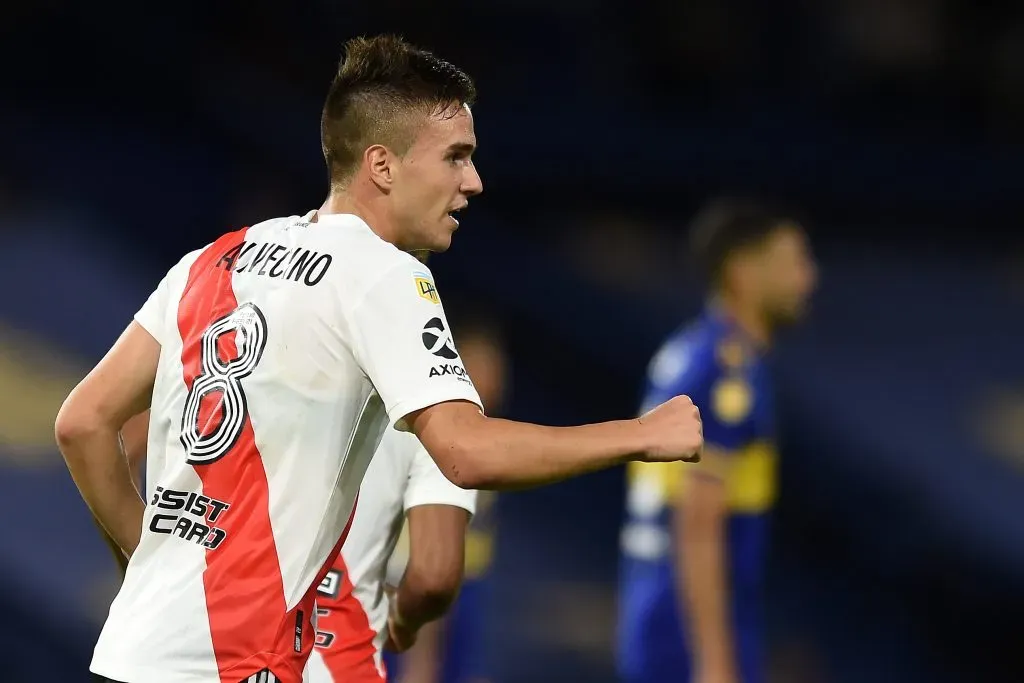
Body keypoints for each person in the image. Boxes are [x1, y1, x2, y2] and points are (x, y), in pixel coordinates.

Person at [54, 34, 703, 683]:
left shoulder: (213, 258)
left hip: (133, 654)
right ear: (383, 166)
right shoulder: (383, 275)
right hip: (240, 664)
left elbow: (82, 422)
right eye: (455, 157)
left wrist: (149, 559)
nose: (473, 182)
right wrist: (641, 434)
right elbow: (465, 452)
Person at [616, 199, 817, 683]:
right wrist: (715, 662)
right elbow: (698, 524)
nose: (807, 279)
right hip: (685, 632)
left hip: (658, 612)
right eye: (792, 262)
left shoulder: (691, 351)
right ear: (743, 273)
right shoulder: (728, 375)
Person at [386, 313, 508, 683]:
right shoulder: (438, 444)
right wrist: (420, 665)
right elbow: (421, 567)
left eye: (498, 367)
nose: (494, 379)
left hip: (464, 599)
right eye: (480, 365)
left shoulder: (488, 441)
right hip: (419, 612)